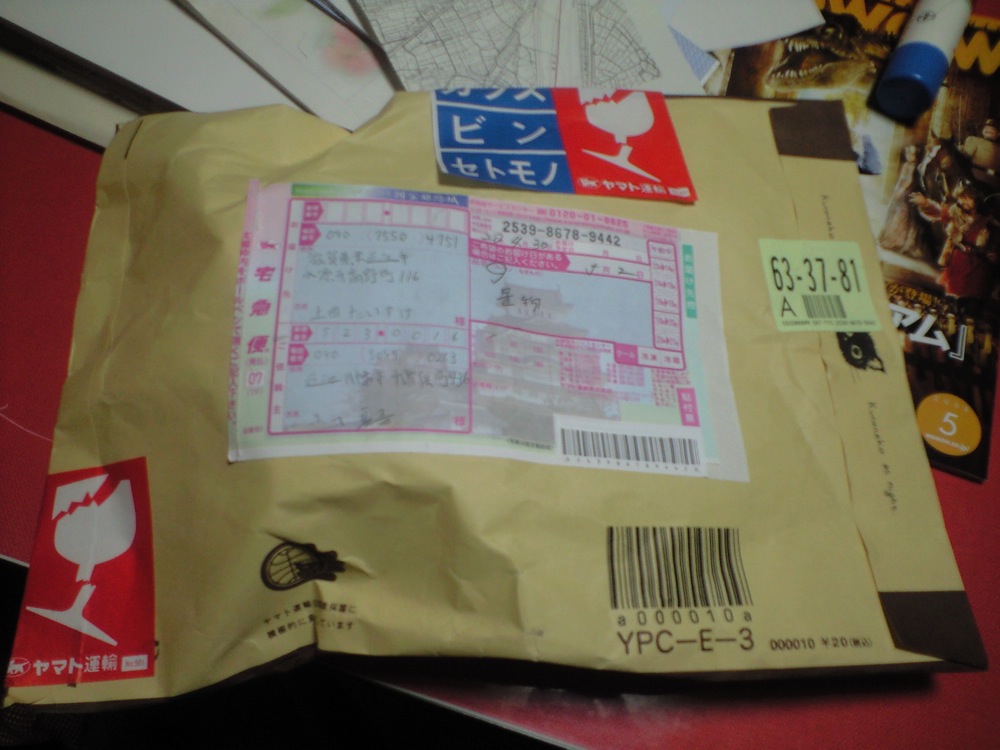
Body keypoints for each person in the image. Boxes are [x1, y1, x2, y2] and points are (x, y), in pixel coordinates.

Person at [910, 180, 997, 314]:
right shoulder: (956, 211)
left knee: (973, 303)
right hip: (958, 261)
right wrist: (925, 204)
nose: (963, 202)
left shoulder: (988, 220)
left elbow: (993, 243)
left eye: (968, 198)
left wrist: (993, 255)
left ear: (978, 200)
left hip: (978, 266)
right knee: (953, 297)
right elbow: (940, 212)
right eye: (962, 197)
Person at [961, 118, 1000, 192]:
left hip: (991, 187)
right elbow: (964, 157)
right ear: (983, 130)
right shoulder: (974, 140)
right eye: (986, 128)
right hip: (972, 180)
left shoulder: (974, 140)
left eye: (992, 129)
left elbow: (963, 158)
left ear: (998, 133)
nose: (989, 130)